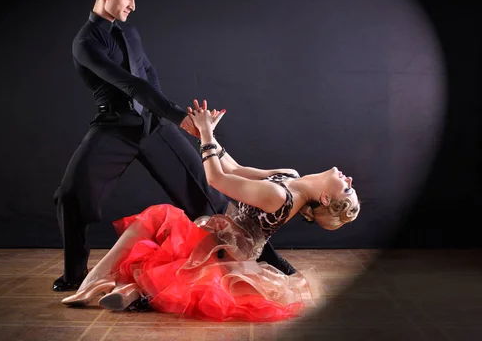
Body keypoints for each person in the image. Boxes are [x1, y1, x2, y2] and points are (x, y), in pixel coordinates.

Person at [52, 0, 296, 292]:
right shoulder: (85, 42)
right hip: (114, 128)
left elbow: (149, 76)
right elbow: (129, 83)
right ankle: (74, 276)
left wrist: (177, 118)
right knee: (70, 196)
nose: (132, 5)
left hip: (154, 127)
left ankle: (268, 259)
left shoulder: (130, 34)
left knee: (209, 197)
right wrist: (179, 116)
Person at [60, 100, 361, 322]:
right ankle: (117, 289)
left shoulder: (279, 197)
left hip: (225, 252)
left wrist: (205, 135)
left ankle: (104, 287)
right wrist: (209, 135)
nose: (347, 180)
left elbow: (217, 179)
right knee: (163, 249)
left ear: (324, 199)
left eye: (346, 188)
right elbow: (237, 168)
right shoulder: (290, 177)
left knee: (157, 220)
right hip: (215, 235)